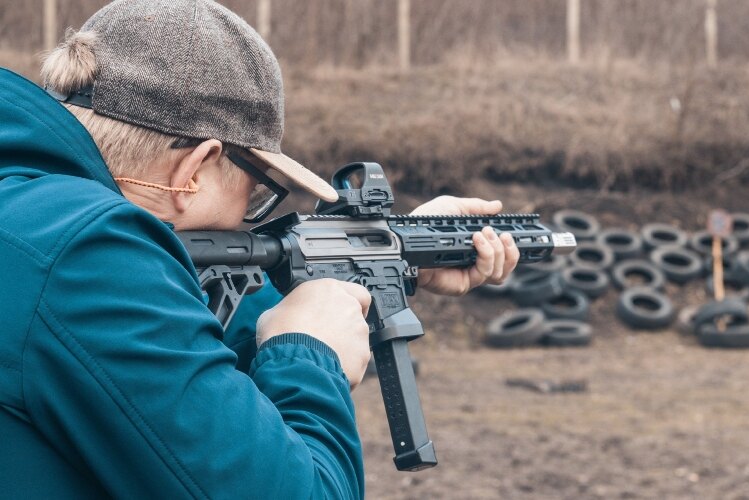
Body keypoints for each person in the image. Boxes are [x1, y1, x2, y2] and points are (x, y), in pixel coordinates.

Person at [0, 1, 519, 497]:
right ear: (193, 169)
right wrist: (308, 357)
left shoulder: (31, 221)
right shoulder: (86, 259)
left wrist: (391, 260)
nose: (251, 220)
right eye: (256, 192)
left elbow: (170, 354)